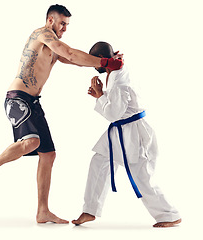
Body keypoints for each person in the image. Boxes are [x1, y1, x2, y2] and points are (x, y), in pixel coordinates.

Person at [0, 4, 124, 224]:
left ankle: (42, 211)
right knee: (32, 142)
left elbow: (74, 59)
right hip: (17, 98)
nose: (64, 28)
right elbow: (70, 52)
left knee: (48, 154)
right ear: (50, 20)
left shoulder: (54, 47)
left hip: (32, 103)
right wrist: (105, 62)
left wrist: (108, 61)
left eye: (67, 25)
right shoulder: (42, 34)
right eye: (62, 23)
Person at [71, 42, 181, 228]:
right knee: (99, 162)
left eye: (94, 61)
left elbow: (114, 113)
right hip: (121, 130)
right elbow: (118, 105)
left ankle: (169, 215)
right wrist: (102, 94)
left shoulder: (117, 77)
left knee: (141, 174)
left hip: (132, 132)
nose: (92, 65)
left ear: (101, 61)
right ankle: (90, 209)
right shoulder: (114, 70)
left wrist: (100, 96)